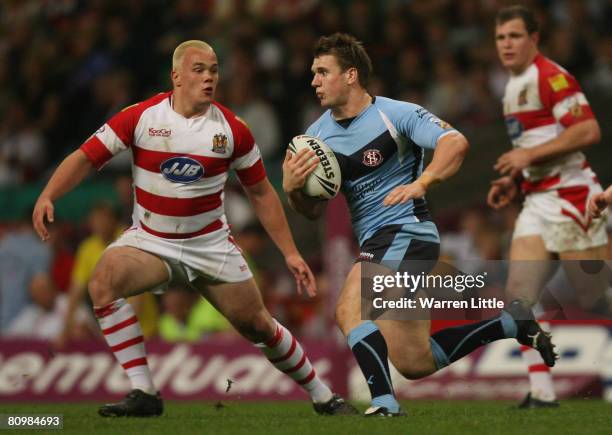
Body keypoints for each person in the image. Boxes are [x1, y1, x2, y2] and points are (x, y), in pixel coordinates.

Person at [32, 40, 355, 418]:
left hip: (210, 246)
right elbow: (86, 157)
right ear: (176, 76)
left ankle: (324, 396)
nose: (209, 77)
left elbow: (261, 192)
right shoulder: (140, 117)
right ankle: (145, 392)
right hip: (151, 242)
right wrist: (48, 194)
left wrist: (290, 252)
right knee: (102, 281)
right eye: (199, 69)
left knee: (259, 326)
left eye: (214, 70)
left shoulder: (233, 130)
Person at [282, 32, 556, 417]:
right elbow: (310, 211)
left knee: (348, 311)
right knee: (416, 362)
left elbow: (455, 143)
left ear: (351, 75)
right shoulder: (314, 137)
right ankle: (512, 323)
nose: (314, 81)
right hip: (380, 241)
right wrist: (294, 190)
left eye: (322, 72)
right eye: (313, 73)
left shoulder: (396, 114)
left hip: (406, 232)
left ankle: (385, 406)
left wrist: (423, 182)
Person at [487, 5, 609, 408]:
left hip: (574, 197)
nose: (507, 44)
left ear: (534, 38)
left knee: (594, 297)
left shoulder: (551, 76)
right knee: (518, 296)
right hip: (538, 201)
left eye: (515, 36)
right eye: (501, 37)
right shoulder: (511, 87)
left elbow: (588, 129)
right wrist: (515, 179)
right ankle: (542, 392)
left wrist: (526, 157)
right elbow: (532, 151)